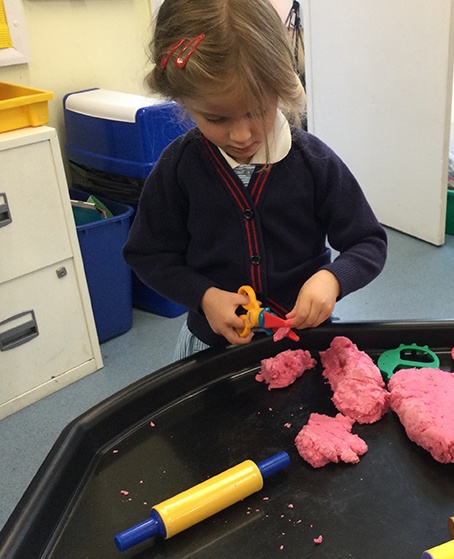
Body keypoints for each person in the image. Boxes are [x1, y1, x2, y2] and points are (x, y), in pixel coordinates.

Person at [123, 0, 387, 359]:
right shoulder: (179, 168)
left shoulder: (314, 163)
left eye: (258, 111)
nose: (242, 135)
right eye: (217, 118)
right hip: (214, 349)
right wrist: (205, 296)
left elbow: (368, 241)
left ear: (282, 86)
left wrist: (333, 278)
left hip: (304, 343)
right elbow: (148, 254)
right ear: (183, 102)